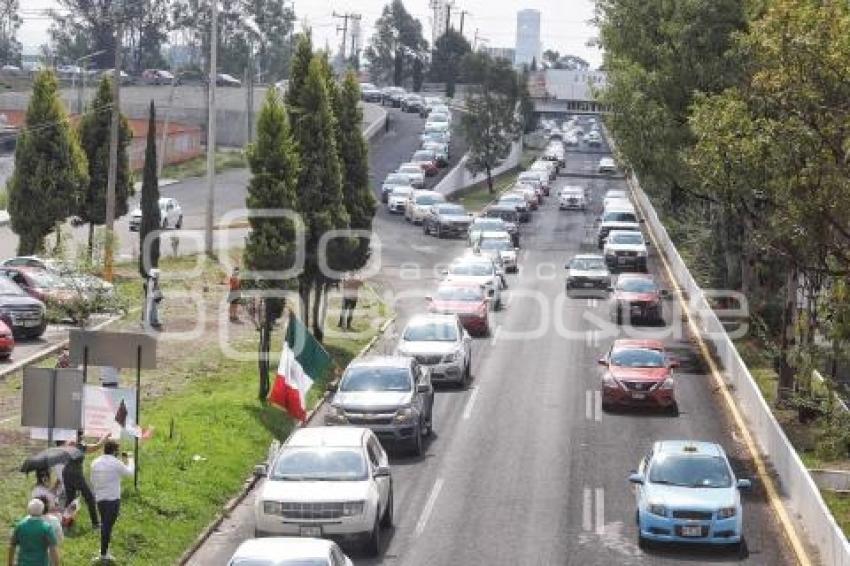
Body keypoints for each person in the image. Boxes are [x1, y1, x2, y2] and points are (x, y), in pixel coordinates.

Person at [90, 441, 134, 562]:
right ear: (115, 451)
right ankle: (104, 554)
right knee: (107, 527)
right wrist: (130, 459)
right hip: (113, 499)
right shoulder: (116, 463)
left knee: (105, 524)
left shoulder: (95, 462)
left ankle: (104, 550)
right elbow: (130, 473)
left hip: (100, 499)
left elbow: (92, 481)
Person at [60, 434, 110, 530]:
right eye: (81, 435)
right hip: (76, 474)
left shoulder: (68, 444)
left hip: (66, 473)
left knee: (70, 499)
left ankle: (66, 523)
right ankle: (95, 524)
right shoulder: (80, 446)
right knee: (90, 498)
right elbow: (97, 446)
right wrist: (105, 436)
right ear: (80, 436)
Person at [7, 499, 60, 566]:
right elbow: (53, 549)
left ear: (28, 510)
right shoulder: (47, 528)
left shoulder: (20, 526)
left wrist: (10, 563)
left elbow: (12, 546)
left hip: (23, 563)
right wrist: (56, 564)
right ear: (42, 510)